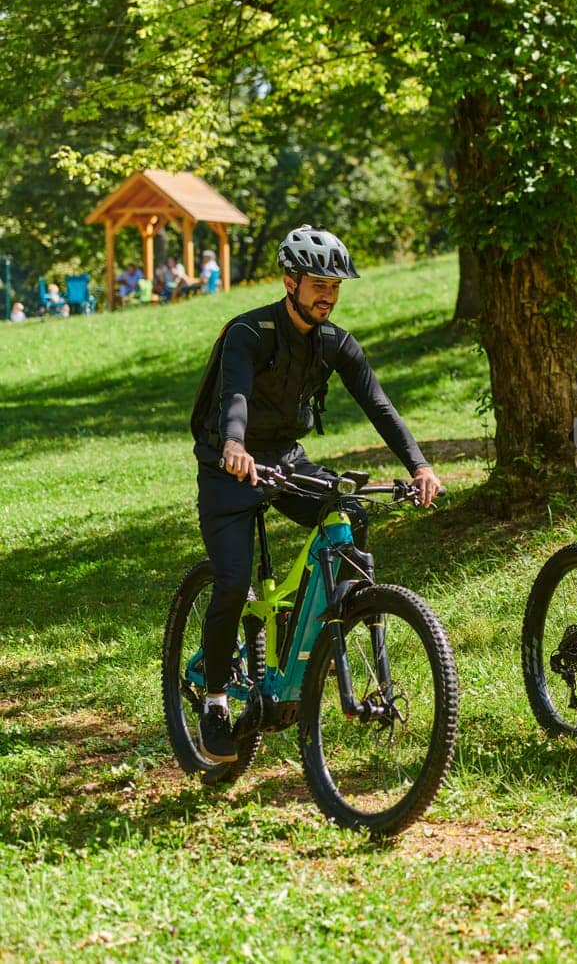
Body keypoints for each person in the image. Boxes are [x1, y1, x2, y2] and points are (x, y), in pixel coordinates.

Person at [188, 224, 444, 764]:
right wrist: (234, 445)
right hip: (226, 465)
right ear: (291, 281)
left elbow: (379, 405)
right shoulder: (249, 333)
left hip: (283, 458)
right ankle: (213, 702)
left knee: (348, 511)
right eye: (319, 284)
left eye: (336, 286)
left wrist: (418, 466)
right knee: (233, 583)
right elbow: (234, 392)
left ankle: (317, 627)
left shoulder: (335, 341)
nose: (328, 294)